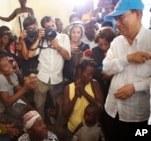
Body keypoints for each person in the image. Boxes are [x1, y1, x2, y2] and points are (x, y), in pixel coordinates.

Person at [102, 0, 151, 141]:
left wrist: (135, 87)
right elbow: (106, 68)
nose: (117, 23)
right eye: (115, 19)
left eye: (121, 17)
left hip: (136, 114)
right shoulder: (117, 42)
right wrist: (128, 58)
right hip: (111, 109)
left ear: (137, 14)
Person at [21, 16, 71, 118]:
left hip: (57, 78)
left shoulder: (64, 37)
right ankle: (40, 125)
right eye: (48, 27)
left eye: (53, 25)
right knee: (39, 105)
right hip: (41, 77)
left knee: (59, 106)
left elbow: (68, 57)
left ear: (56, 25)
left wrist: (57, 45)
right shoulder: (41, 39)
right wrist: (39, 38)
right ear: (43, 28)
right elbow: (30, 55)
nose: (51, 28)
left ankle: (57, 128)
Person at [62, 59, 104, 141]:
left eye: (92, 74)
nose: (90, 77)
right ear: (80, 71)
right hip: (73, 129)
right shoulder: (69, 88)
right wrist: (76, 95)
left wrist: (84, 92)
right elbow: (65, 113)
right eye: (88, 74)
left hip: (90, 130)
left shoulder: (94, 84)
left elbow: (100, 107)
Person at [91, 26, 116, 100]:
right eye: (100, 45)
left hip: (113, 85)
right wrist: (102, 73)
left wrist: (112, 75)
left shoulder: (116, 51)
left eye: (106, 44)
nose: (103, 47)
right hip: (99, 86)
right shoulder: (95, 51)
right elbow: (92, 69)